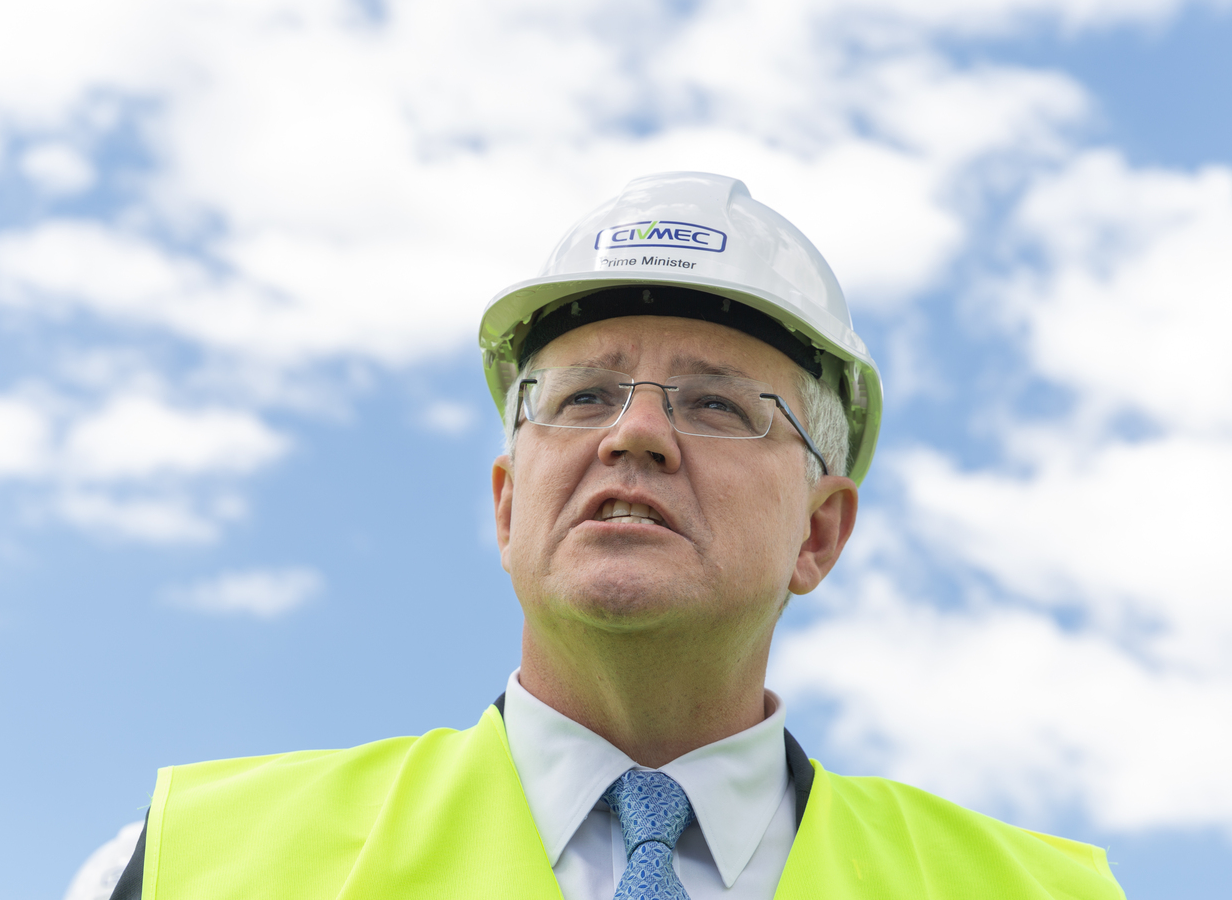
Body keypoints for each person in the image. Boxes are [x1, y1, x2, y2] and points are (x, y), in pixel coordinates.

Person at [109, 172, 1124, 899]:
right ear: (508, 505)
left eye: (718, 406)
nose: (634, 434)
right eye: (584, 397)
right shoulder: (199, 864)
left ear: (820, 532)